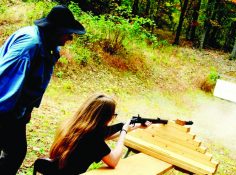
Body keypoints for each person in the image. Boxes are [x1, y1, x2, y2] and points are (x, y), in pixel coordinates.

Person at [0, 5, 86, 174]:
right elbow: (4, 84)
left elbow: (38, 78)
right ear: (55, 30)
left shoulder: (48, 45)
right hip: (4, 111)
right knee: (14, 152)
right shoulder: (29, 47)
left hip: (16, 111)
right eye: (68, 32)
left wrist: (28, 109)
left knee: (16, 152)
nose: (70, 37)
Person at [49, 93, 151, 174]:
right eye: (113, 115)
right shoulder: (92, 137)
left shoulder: (72, 125)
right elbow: (114, 161)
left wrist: (134, 127)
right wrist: (124, 131)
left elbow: (105, 136)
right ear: (105, 117)